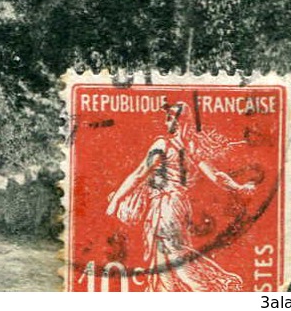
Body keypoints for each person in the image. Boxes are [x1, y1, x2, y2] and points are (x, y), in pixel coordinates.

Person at [105, 102, 254, 291]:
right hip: (178, 206)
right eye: (167, 117)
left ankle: (216, 289)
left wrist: (116, 200)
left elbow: (139, 173)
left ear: (180, 121)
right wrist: (238, 187)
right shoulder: (192, 147)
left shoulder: (163, 145)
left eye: (170, 117)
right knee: (162, 264)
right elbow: (216, 176)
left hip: (165, 207)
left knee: (176, 259)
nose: (167, 120)